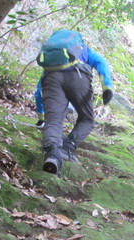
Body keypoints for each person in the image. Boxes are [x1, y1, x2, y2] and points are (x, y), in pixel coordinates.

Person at [34, 31, 113, 175]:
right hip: (78, 77)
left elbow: (39, 91)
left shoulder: (52, 62)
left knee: (53, 121)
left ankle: (53, 154)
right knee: (87, 118)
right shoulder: (83, 49)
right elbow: (101, 62)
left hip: (51, 79)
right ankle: (68, 147)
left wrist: (41, 116)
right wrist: (107, 87)